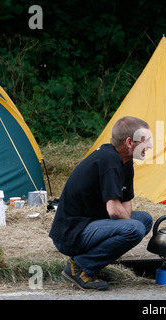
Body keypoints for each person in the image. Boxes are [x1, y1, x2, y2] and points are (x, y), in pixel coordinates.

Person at [49, 116, 153, 290]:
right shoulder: (109, 160)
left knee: (144, 220)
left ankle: (92, 268)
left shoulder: (125, 162)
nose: (149, 146)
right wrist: (129, 227)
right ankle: (80, 267)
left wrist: (128, 224)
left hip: (93, 225)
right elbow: (113, 210)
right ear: (129, 142)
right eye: (146, 141)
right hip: (72, 234)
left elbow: (125, 202)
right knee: (135, 228)